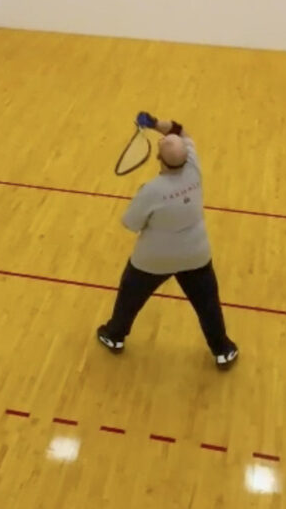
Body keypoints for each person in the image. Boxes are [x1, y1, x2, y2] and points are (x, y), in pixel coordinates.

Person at [93, 120, 239, 368]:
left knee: (130, 296)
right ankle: (222, 349)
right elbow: (181, 130)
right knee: (208, 304)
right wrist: (154, 122)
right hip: (196, 254)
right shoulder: (194, 167)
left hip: (154, 259)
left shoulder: (151, 190)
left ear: (158, 157)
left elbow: (131, 223)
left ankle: (114, 335)